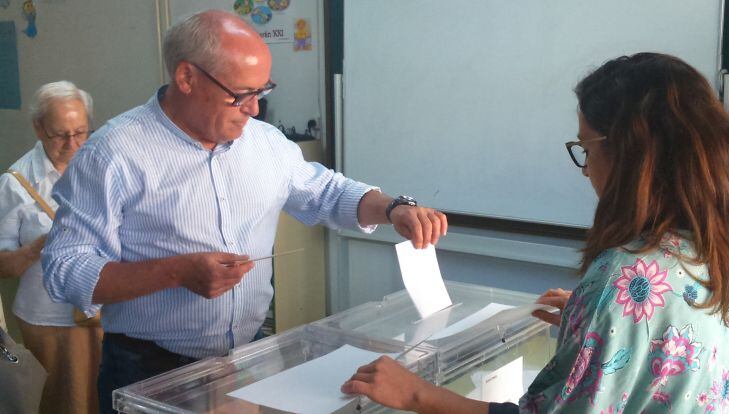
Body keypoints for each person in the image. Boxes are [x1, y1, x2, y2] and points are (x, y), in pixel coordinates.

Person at [40, 10, 448, 414]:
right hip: (148, 368)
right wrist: (176, 272)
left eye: (262, 92)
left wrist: (392, 208)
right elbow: (64, 269)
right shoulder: (113, 154)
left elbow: (326, 191)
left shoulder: (265, 143)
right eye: (240, 94)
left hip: (245, 361)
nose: (254, 109)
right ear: (186, 78)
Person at [341, 53, 729, 413]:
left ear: (631, 153)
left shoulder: (627, 279)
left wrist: (417, 393)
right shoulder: (719, 244)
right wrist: (597, 324)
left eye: (587, 147)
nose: (585, 170)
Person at [0, 81, 102, 414]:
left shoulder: (100, 167)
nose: (73, 144)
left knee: (108, 398)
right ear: (38, 128)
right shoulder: (15, 183)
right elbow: (2, 266)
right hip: (50, 320)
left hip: (106, 311)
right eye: (60, 135)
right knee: (66, 405)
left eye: (81, 132)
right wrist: (39, 247)